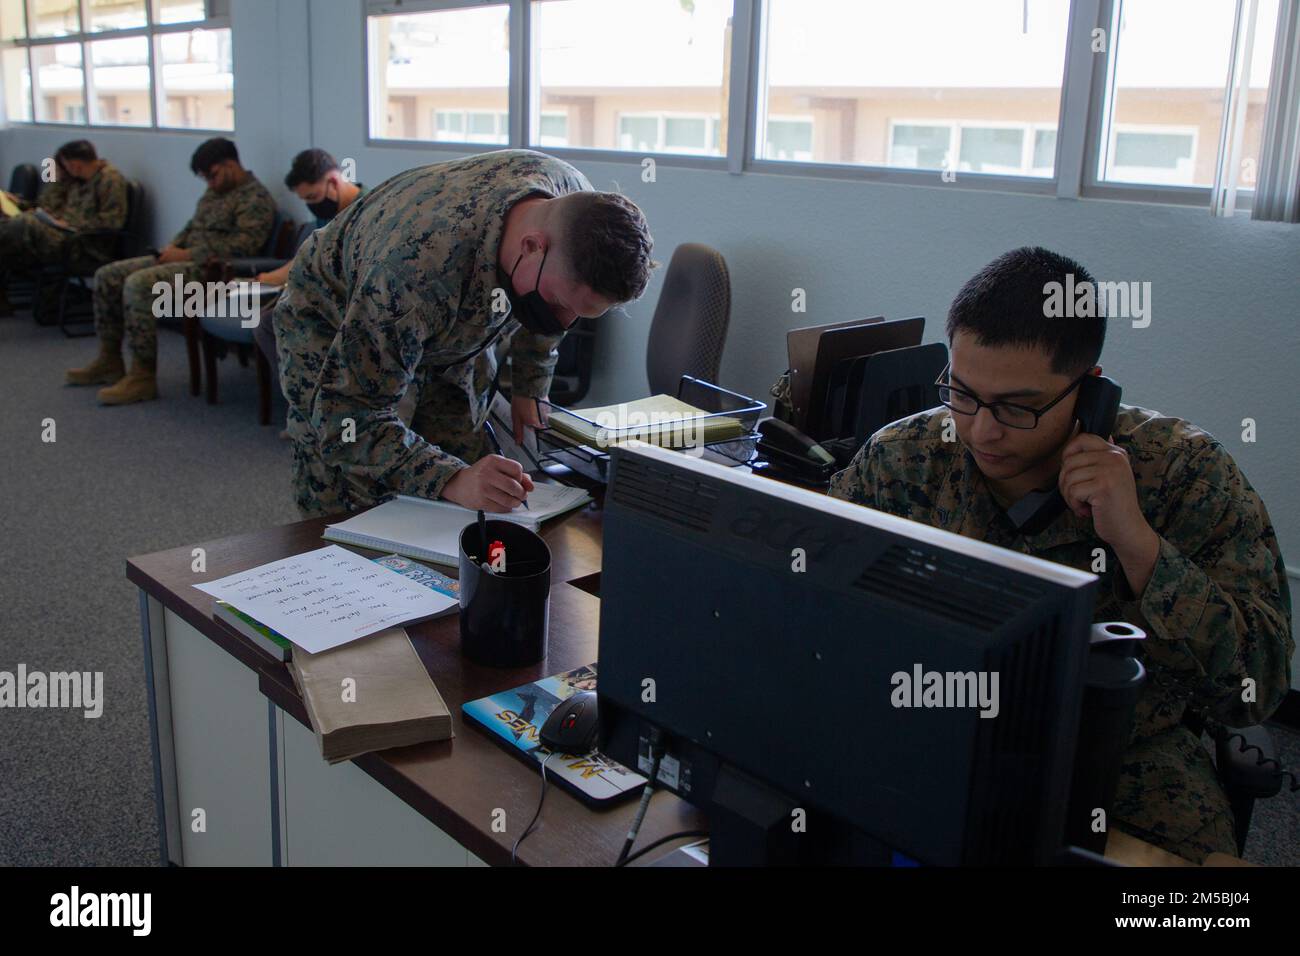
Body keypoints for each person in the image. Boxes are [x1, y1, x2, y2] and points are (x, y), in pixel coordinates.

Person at [828, 246, 1293, 863]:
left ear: (1088, 389)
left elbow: (1255, 690)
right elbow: (817, 599)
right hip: (928, 728)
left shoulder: (1185, 473)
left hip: (1122, 758)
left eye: (1017, 407)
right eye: (962, 393)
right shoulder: (905, 456)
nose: (981, 430)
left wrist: (1138, 543)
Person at [274, 148, 655, 517]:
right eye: (558, 304)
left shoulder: (574, 207)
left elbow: (553, 309)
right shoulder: (410, 273)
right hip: (336, 317)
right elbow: (350, 416)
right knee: (348, 486)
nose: (565, 322)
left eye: (581, 314)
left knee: (464, 466)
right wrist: (451, 478)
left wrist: (530, 383)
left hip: (455, 320)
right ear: (531, 246)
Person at [65, 137, 276, 405]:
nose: (209, 183)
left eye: (212, 175)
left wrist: (187, 254)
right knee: (106, 276)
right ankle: (110, 360)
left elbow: (244, 246)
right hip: (183, 262)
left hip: (213, 272)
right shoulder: (215, 192)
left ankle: (142, 377)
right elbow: (192, 227)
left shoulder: (255, 198)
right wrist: (172, 247)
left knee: (138, 285)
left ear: (230, 165)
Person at [252, 149, 367, 387]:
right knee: (267, 321)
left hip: (355, 300)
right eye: (306, 200)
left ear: (333, 181)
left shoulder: (366, 210)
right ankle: (301, 399)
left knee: (275, 322)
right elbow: (307, 256)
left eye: (313, 197)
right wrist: (267, 278)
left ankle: (311, 400)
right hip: (322, 293)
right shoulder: (329, 214)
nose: (312, 206)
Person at [0, 140, 128, 315]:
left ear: (74, 165)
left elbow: (113, 222)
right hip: (62, 236)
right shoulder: (76, 180)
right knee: (14, 230)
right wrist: (22, 203)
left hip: (85, 245)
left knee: (24, 224)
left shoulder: (110, 180)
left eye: (65, 165)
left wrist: (72, 225)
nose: (63, 170)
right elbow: (49, 205)